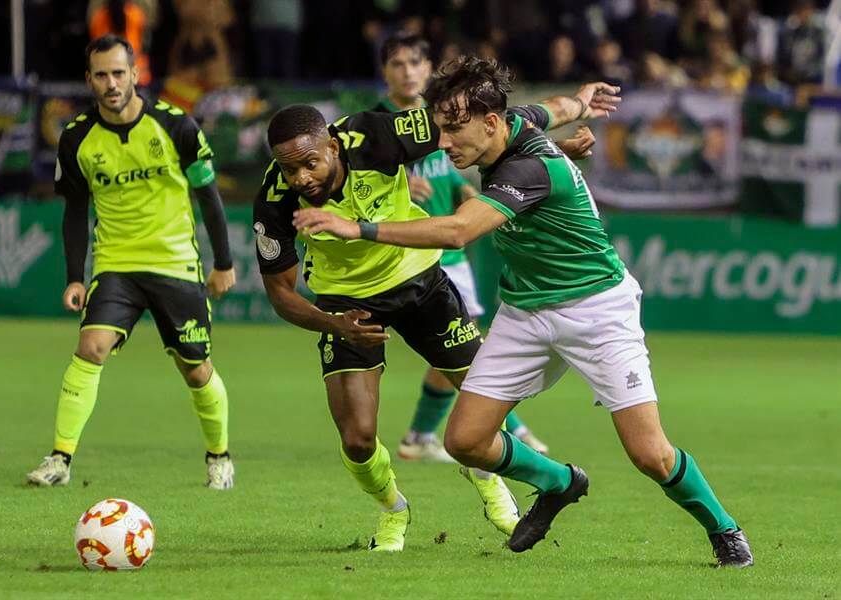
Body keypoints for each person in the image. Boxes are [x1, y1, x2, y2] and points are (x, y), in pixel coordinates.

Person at [292, 56, 754, 568]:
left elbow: (458, 232)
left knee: (651, 455)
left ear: (490, 123)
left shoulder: (531, 164)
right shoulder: (513, 126)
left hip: (597, 309)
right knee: (465, 440)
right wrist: (581, 101)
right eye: (440, 128)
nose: (443, 144)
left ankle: (725, 529)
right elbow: (551, 108)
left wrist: (360, 228)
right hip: (525, 311)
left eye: (452, 130)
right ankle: (559, 482)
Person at [254, 81, 604, 551]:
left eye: (309, 163)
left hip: (420, 281)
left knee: (483, 402)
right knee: (357, 439)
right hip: (347, 305)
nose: (300, 178)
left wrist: (561, 134)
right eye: (288, 168)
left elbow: (483, 127)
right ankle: (393, 510)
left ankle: (486, 476)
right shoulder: (275, 199)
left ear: (333, 146)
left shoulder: (379, 134)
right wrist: (332, 322)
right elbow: (280, 294)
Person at [26, 34, 238, 490]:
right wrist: (74, 277)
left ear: (136, 74)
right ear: (89, 80)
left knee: (196, 368)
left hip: (175, 263)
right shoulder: (77, 137)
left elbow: (208, 195)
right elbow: (75, 211)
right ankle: (60, 458)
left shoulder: (177, 127)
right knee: (91, 348)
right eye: (101, 75)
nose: (111, 83)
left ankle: (219, 455)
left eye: (118, 73)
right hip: (116, 265)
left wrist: (223, 262)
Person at [373, 32, 549, 462]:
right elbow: (351, 182)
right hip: (417, 253)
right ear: (384, 72)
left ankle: (422, 435)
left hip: (452, 253)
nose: (408, 71)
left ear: (428, 66)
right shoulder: (376, 125)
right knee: (464, 341)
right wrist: (391, 182)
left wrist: (472, 198)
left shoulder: (439, 120)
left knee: (459, 343)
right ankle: (507, 427)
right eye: (397, 64)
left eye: (415, 62)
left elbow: (448, 176)